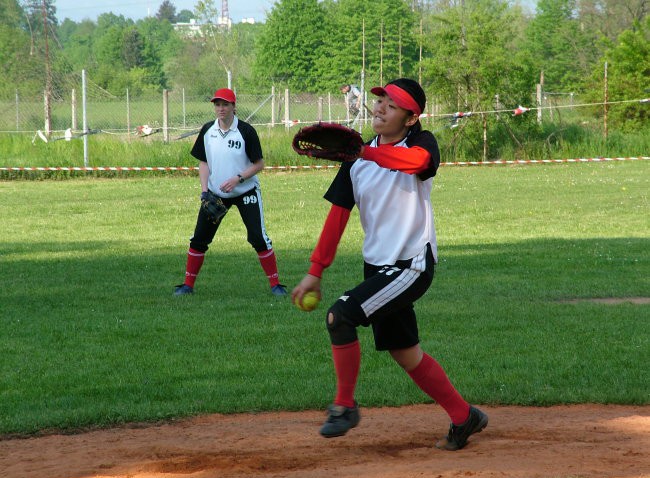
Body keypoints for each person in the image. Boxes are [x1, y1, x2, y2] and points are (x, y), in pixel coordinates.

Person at [292, 78, 488, 450]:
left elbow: (417, 164)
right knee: (405, 352)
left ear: (411, 118)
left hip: (411, 263)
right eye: (379, 100)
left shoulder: (420, 142)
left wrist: (364, 154)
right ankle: (465, 417)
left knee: (340, 317)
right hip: (378, 267)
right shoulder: (357, 160)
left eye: (392, 105)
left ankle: (345, 406)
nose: (380, 107)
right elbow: (337, 217)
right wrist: (315, 272)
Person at [174, 87, 288, 297]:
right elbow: (203, 162)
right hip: (216, 193)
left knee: (258, 238)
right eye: (217, 104)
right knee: (199, 238)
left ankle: (276, 285)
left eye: (225, 104)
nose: (221, 108)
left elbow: (259, 164)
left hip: (246, 191)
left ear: (234, 107)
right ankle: (188, 285)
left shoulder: (246, 131)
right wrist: (204, 191)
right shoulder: (208, 130)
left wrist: (238, 178)